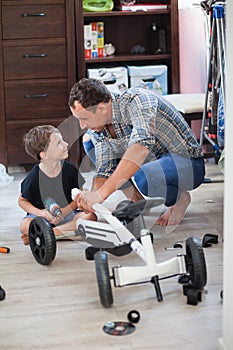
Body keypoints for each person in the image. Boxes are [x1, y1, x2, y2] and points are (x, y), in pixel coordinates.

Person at [69, 78, 205, 226]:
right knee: (89, 141)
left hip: (187, 163)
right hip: (152, 163)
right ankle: (137, 200)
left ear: (101, 108)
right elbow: (105, 171)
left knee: (144, 176)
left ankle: (179, 198)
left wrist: (101, 195)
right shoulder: (98, 127)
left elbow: (140, 149)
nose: (82, 125)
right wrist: (91, 199)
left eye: (84, 119)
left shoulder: (139, 101)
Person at [18, 125, 96, 245]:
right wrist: (41, 213)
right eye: (59, 143)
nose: (66, 144)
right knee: (24, 225)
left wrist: (66, 210)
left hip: (67, 213)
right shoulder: (34, 176)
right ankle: (68, 234)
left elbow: (81, 193)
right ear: (44, 155)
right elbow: (22, 200)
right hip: (44, 217)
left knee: (91, 217)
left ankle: (47, 235)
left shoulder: (69, 169)